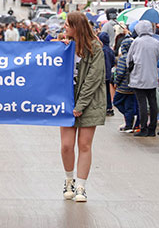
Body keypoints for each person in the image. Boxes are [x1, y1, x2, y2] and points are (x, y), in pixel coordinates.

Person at [60, 12, 105, 203]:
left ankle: (81, 186)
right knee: (66, 145)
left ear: (77, 26)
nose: (65, 28)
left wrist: (80, 105)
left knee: (84, 144)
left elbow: (93, 79)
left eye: (67, 25)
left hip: (89, 102)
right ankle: (68, 180)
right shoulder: (65, 46)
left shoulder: (95, 48)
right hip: (67, 99)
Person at [126, 20, 159, 137]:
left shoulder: (136, 42)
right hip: (152, 76)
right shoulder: (156, 42)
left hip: (139, 76)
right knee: (153, 103)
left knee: (142, 104)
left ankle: (143, 128)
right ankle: (152, 129)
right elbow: (157, 57)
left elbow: (129, 59)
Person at [98, 32, 115, 116]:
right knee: (107, 91)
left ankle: (103, 107)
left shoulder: (101, 50)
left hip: (102, 74)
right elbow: (113, 62)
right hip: (108, 74)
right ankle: (109, 107)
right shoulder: (110, 50)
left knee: (102, 92)